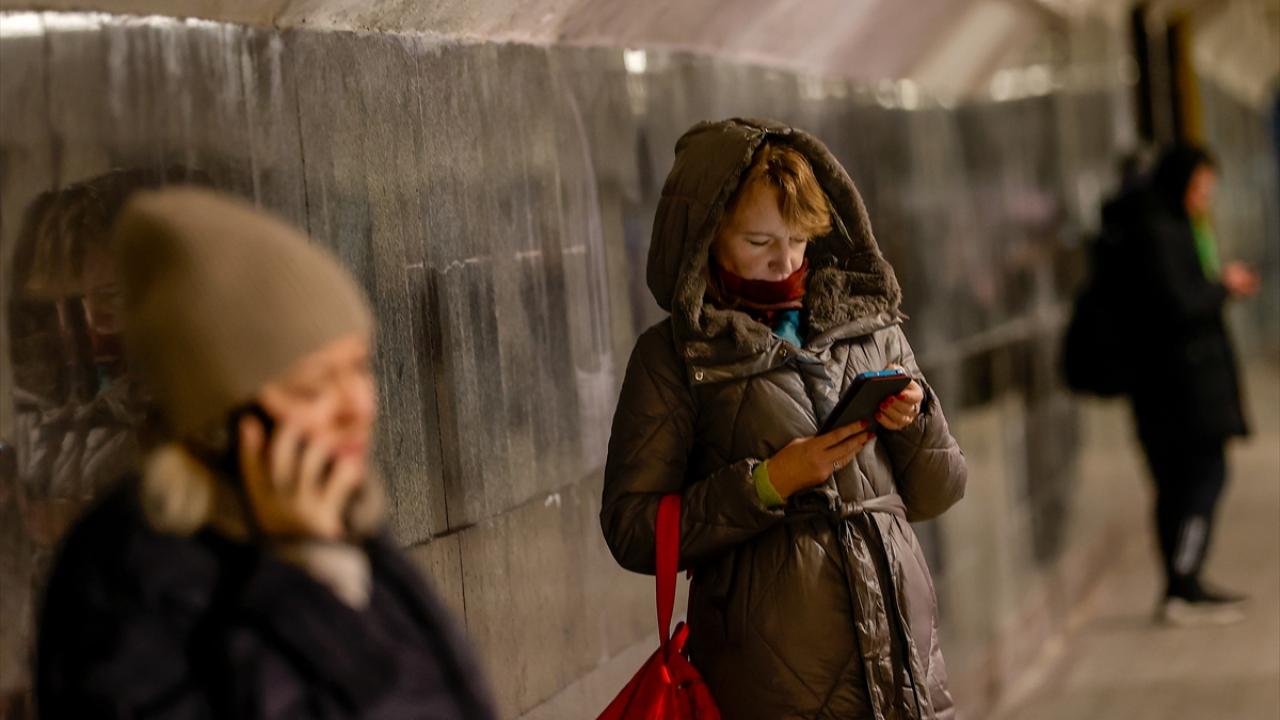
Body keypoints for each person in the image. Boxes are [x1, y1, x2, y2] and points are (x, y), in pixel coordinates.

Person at [36, 188, 496, 718]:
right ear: (219, 420)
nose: (360, 407)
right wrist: (302, 584)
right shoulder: (131, 585)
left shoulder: (332, 518)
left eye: (359, 367)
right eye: (314, 387)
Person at [601, 118, 967, 719]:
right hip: (770, 685)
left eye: (798, 239)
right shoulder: (674, 357)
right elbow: (632, 526)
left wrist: (916, 418)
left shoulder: (867, 324)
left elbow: (940, 491)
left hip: (903, 669)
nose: (784, 261)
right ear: (707, 235)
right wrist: (768, 484)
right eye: (759, 241)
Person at [1128, 144, 1260, 625]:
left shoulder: (1164, 226)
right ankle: (1183, 582)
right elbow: (1180, 303)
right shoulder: (1161, 232)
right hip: (1180, 386)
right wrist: (1224, 286)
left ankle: (1182, 582)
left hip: (1171, 385)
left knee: (1179, 483)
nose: (1205, 198)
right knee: (1203, 476)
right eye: (1200, 187)